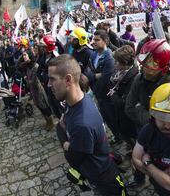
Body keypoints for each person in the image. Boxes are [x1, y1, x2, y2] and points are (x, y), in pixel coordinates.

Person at [50, 55, 126, 196]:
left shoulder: (82, 124)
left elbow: (72, 157)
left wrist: (66, 143)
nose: (49, 84)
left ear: (67, 80)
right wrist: (66, 141)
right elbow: (61, 125)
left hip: (104, 180)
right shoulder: (75, 101)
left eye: (52, 79)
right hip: (95, 172)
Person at [125, 39, 170, 188]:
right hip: (142, 132)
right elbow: (128, 107)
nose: (145, 68)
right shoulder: (139, 79)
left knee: (162, 163)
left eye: (151, 65)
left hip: (163, 137)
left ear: (163, 69)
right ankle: (139, 178)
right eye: (144, 63)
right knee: (138, 156)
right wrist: (151, 117)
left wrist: (140, 109)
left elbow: (167, 121)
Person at [84, 30, 118, 143]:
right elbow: (87, 71)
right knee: (105, 117)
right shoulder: (93, 54)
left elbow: (105, 78)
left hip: (106, 95)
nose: (94, 42)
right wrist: (95, 75)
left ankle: (119, 137)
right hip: (97, 94)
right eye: (94, 39)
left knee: (111, 118)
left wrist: (92, 77)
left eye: (97, 40)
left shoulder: (109, 57)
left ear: (106, 41)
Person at [107, 45, 138, 146]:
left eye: (116, 62)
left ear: (124, 64)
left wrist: (113, 93)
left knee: (132, 136)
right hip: (120, 115)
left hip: (128, 117)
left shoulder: (134, 77)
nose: (114, 64)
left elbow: (123, 102)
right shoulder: (119, 71)